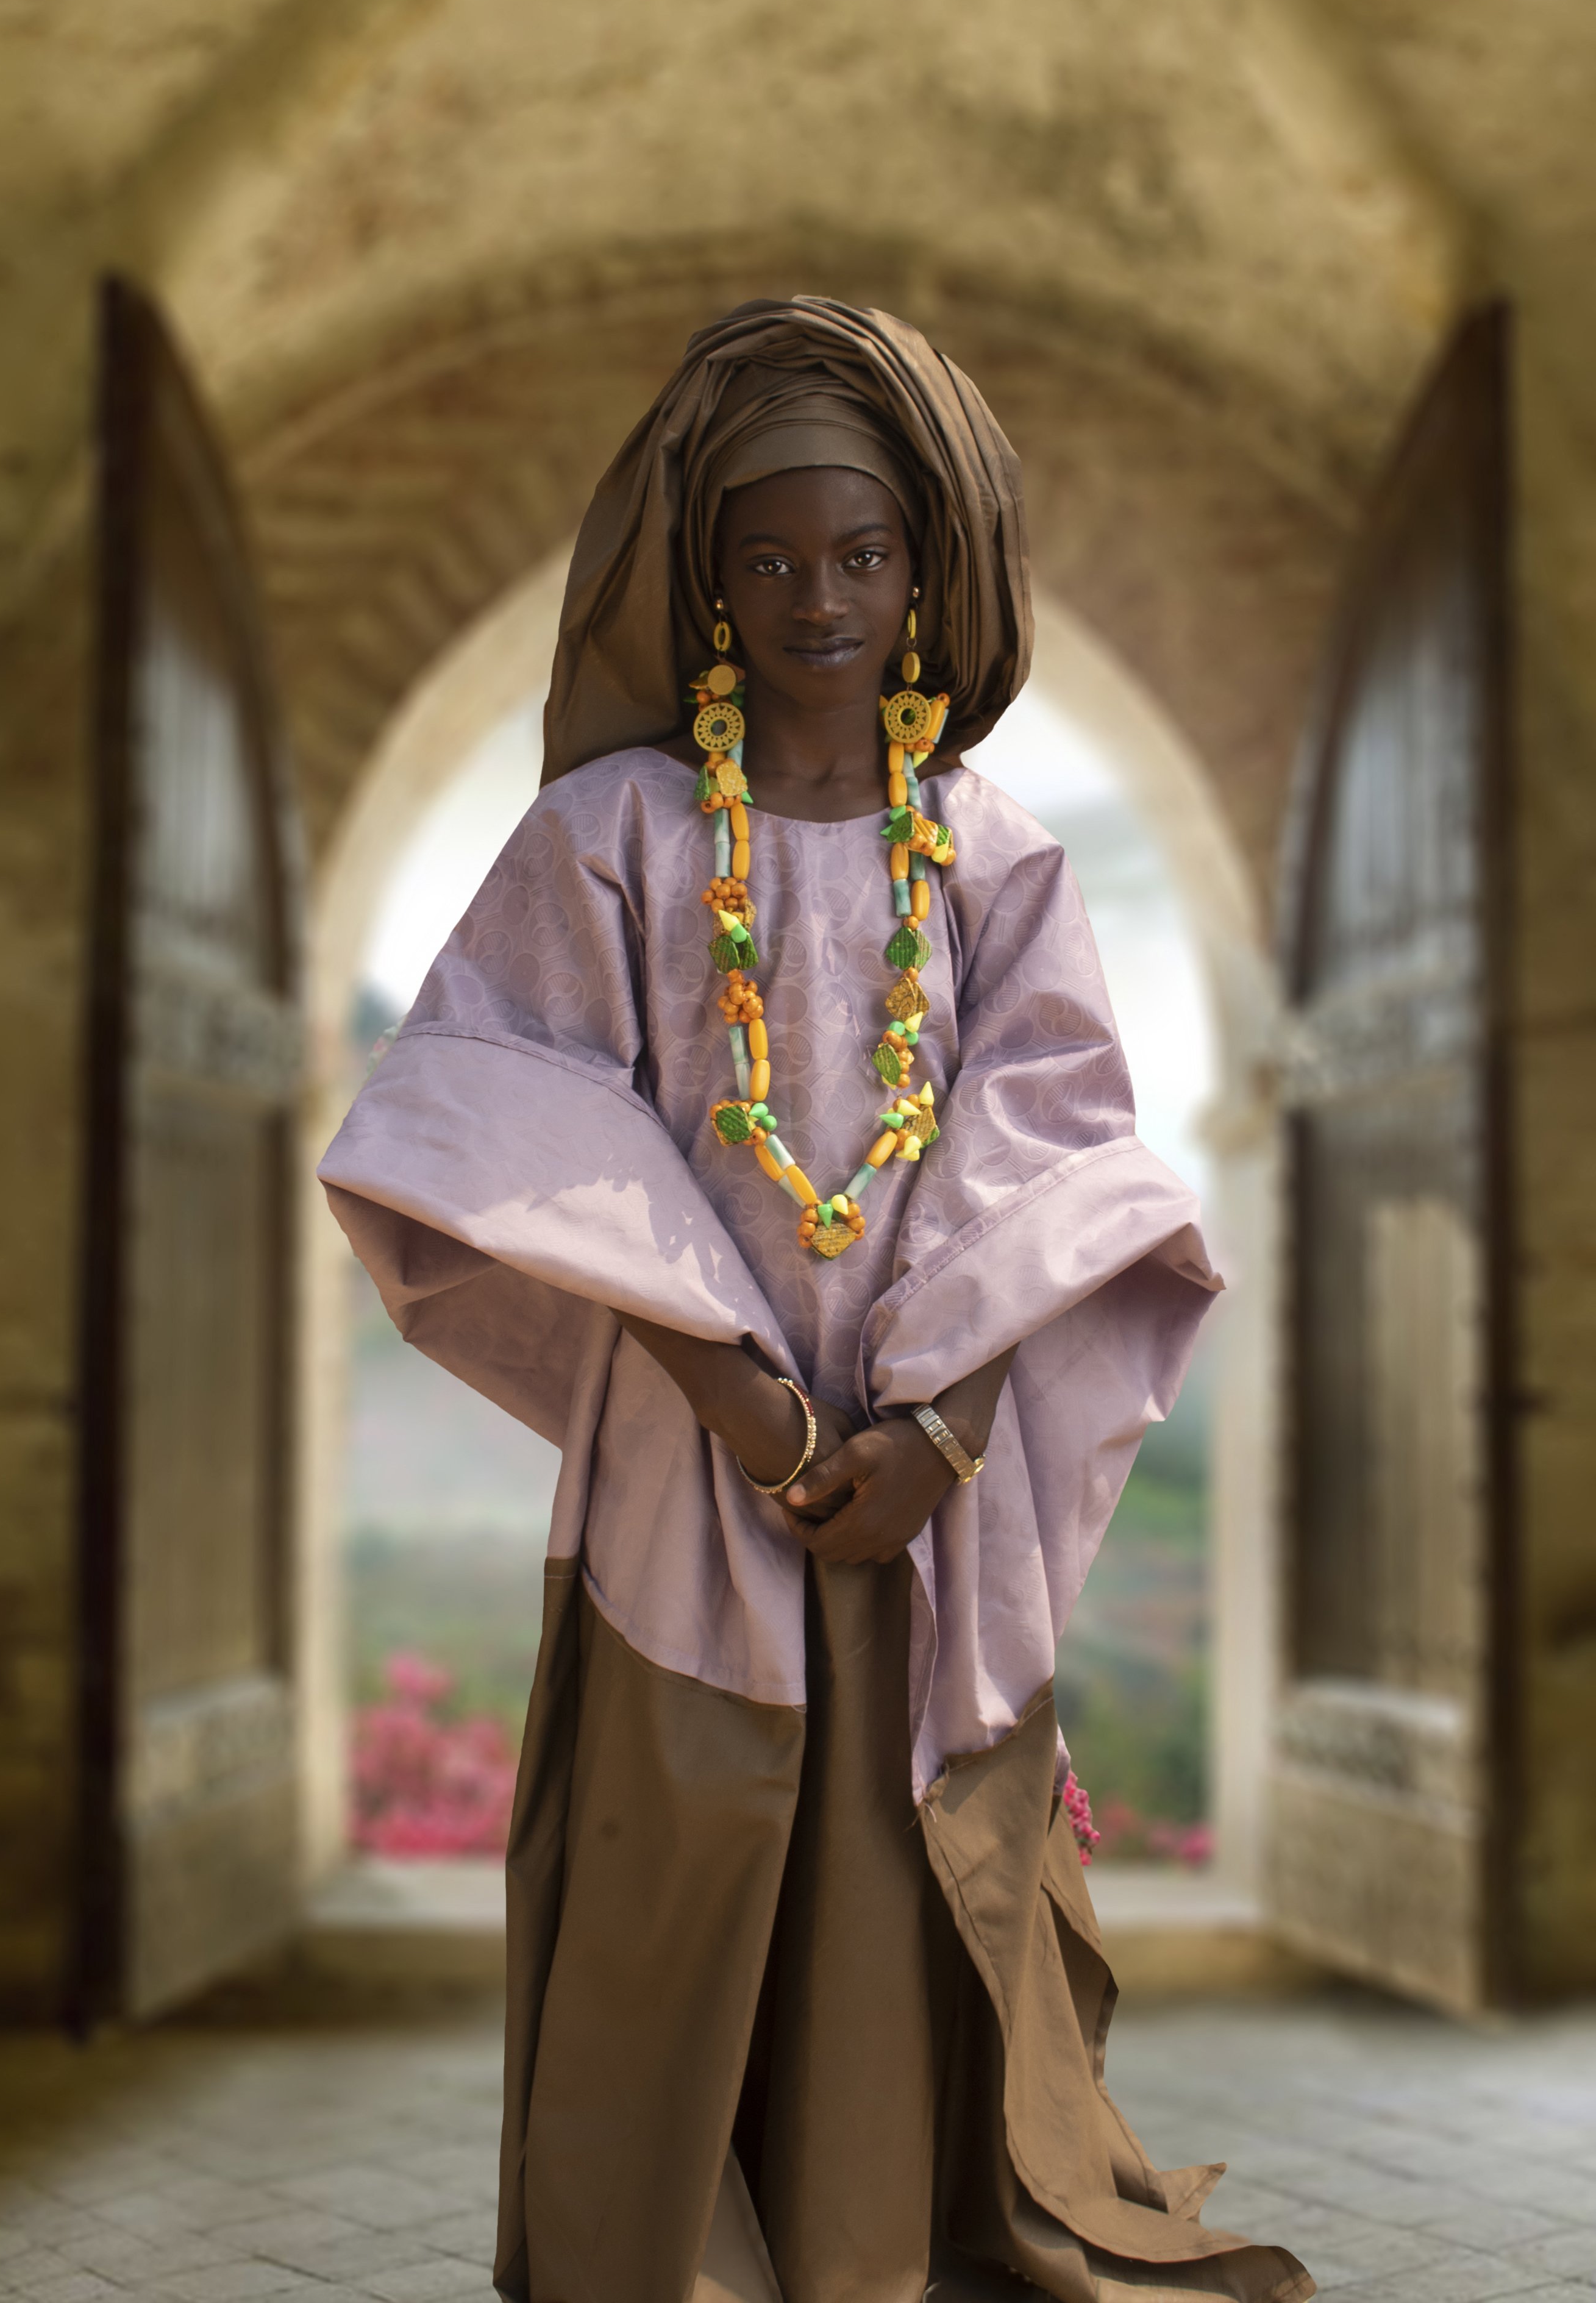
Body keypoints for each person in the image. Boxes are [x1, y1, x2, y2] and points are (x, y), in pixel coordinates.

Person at [320, 298, 1313, 2303]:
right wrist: (746, 1402)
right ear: (707, 577)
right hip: (700, 1470)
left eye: (861, 556)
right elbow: (515, 1112)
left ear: (927, 574)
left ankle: (869, 2249)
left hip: (920, 1491)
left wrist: (937, 1438)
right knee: (677, 1864)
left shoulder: (1002, 866)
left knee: (879, 1879)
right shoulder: (611, 840)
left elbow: (1060, 1154)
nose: (817, 599)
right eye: (769, 557)